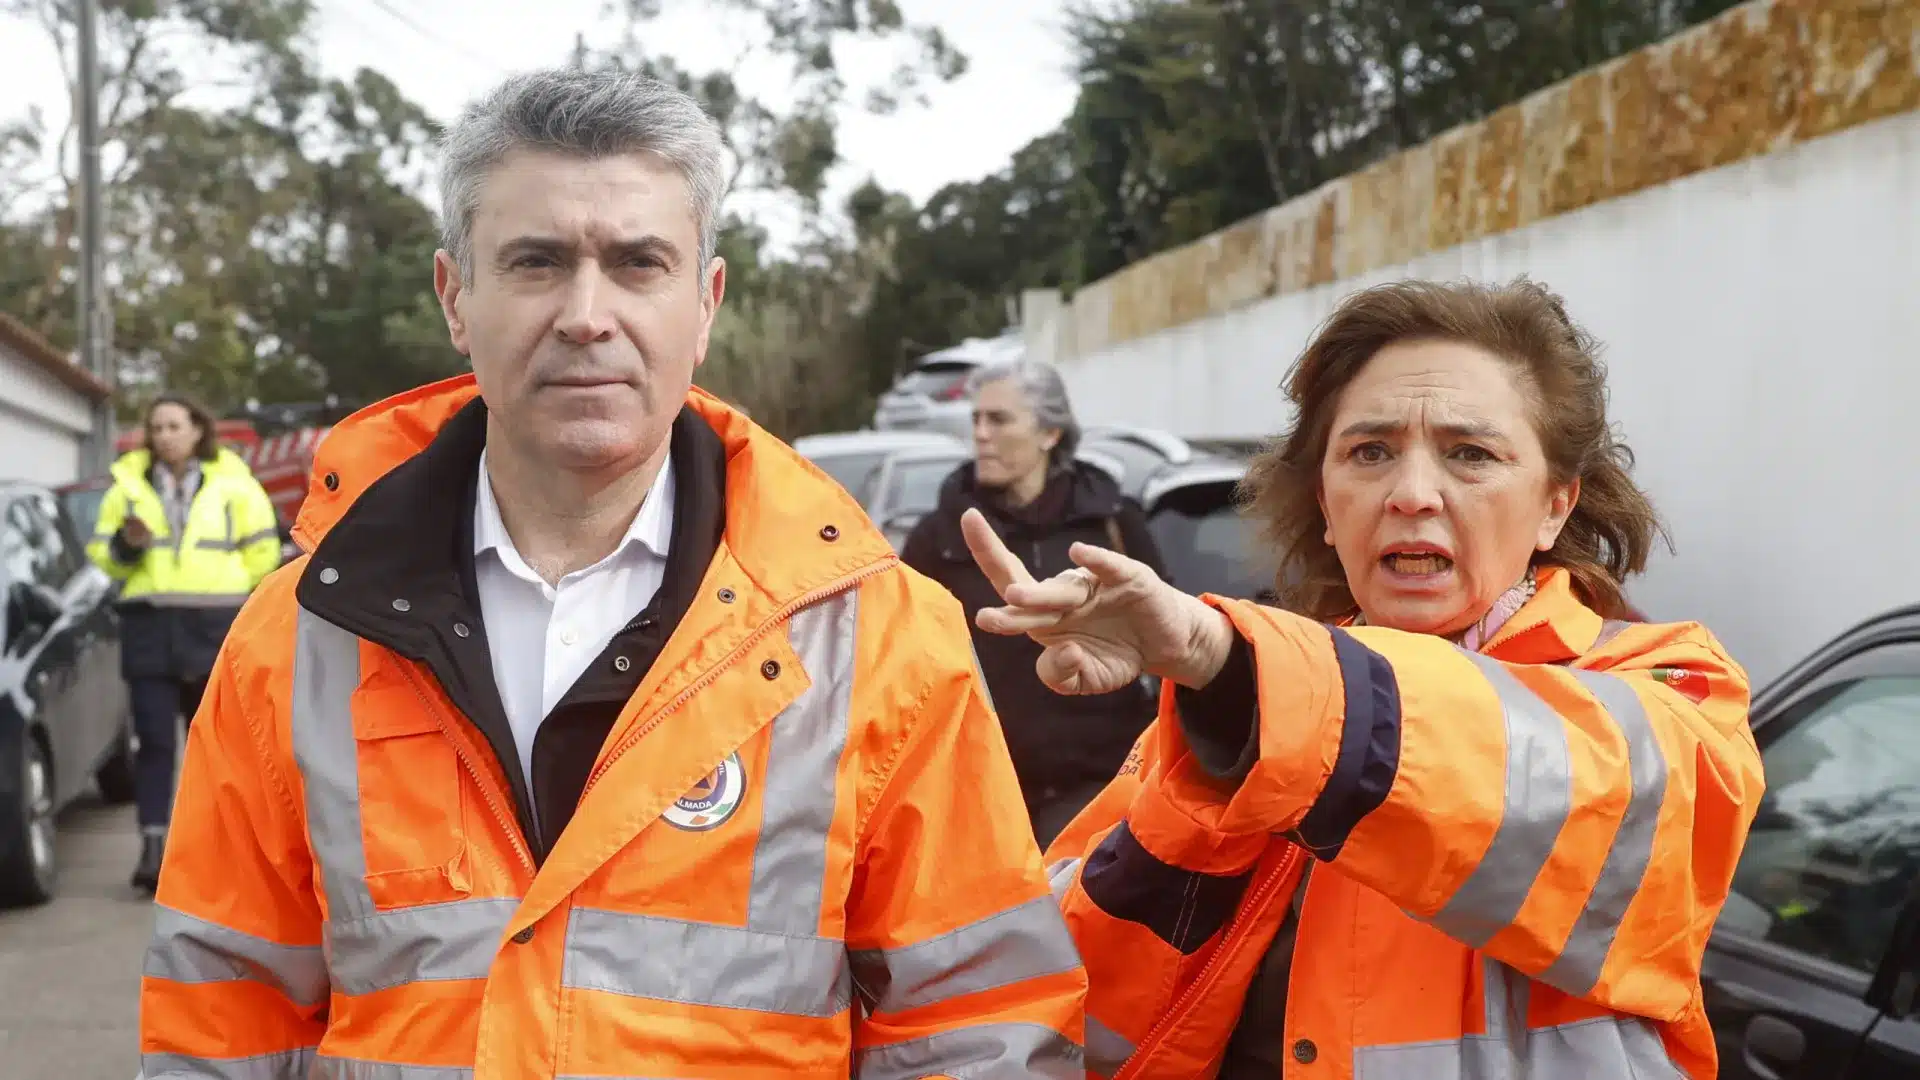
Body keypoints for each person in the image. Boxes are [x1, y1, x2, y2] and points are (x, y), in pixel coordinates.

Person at [136, 68, 1084, 1079]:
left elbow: (978, 1025)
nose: (587, 315)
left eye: (638, 264)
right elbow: (221, 1017)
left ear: (704, 303)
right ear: (456, 298)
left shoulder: (880, 637)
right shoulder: (299, 640)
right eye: (536, 262)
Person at [964, 279, 1765, 1078]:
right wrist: (1209, 776)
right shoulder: (1237, 707)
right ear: (1322, 500)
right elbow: (1070, 1004)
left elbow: (1547, 786)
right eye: (1370, 452)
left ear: (1556, 506)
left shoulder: (1673, 687)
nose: (1412, 495)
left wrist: (1235, 673)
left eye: (1471, 454)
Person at [900, 358, 1166, 848]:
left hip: (1104, 787)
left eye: (998, 420)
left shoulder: (1111, 525)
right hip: (980, 792)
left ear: (1049, 433)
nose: (980, 434)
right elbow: (904, 663)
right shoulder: (939, 537)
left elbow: (1166, 636)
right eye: (976, 420)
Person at [84, 392, 280, 893]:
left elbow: (263, 556)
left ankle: (222, 856)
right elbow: (105, 560)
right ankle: (153, 852)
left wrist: (236, 607)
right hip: (149, 627)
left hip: (214, 628)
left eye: (173, 426)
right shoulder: (126, 488)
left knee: (218, 748)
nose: (164, 435)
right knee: (153, 744)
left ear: (197, 429)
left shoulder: (236, 486)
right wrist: (128, 546)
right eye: (156, 428)